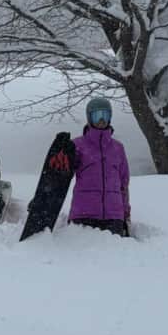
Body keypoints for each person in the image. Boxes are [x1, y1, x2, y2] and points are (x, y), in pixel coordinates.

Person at [53, 96, 130, 236]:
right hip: (84, 214)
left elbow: (123, 184)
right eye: (97, 115)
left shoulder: (118, 148)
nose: (101, 120)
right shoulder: (77, 145)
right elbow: (63, 174)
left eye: (105, 115)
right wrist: (62, 153)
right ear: (89, 118)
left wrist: (126, 214)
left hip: (113, 216)